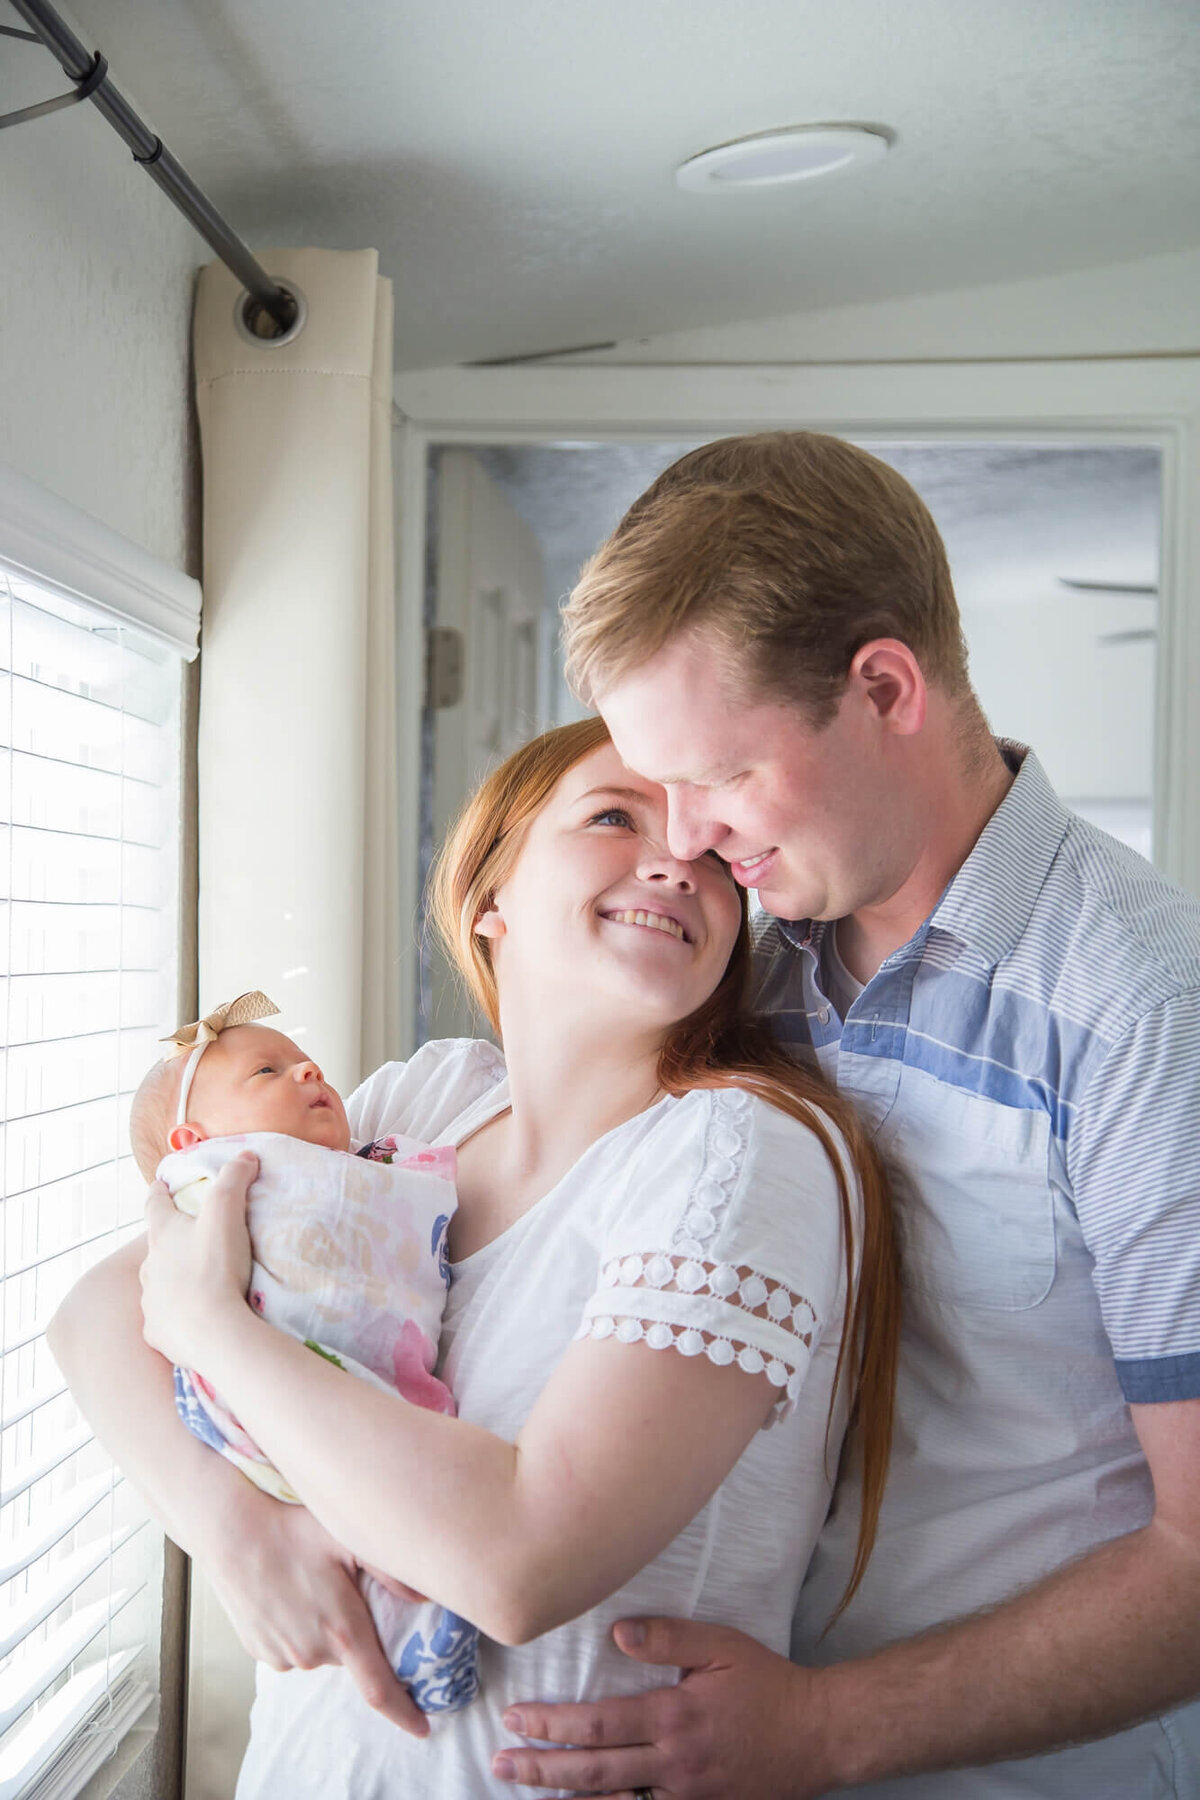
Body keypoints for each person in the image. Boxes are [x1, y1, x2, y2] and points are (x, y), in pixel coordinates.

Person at [486, 431, 1200, 1799]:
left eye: (719, 776)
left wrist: (816, 1731)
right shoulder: (736, 966)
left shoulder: (1147, 1013)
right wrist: (241, 1512)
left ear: (884, 688)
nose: (685, 839)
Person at [50, 718, 900, 1798]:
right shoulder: (427, 1102)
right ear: (489, 894)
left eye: (708, 851)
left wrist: (210, 1325)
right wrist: (232, 1526)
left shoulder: (741, 1149)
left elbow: (516, 1565)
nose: (671, 861)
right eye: (612, 817)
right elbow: (93, 1312)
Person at [132, 989, 478, 1714]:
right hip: (268, 1384)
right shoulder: (213, 1186)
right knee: (368, 1506)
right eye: (267, 1073)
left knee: (384, 1493)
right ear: (196, 1144)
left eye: (303, 1062)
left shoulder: (374, 1150)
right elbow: (108, 1312)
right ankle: (411, 1614)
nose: (309, 1071)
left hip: (359, 1368)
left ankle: (412, 1605)